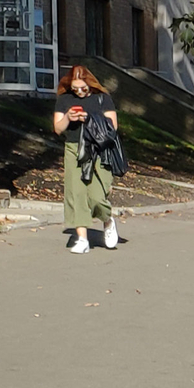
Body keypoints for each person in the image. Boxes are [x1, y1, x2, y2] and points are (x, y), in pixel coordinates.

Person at [50, 64, 121, 253]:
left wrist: (88, 118)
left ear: (90, 83)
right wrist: (68, 117)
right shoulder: (64, 100)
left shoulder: (102, 99)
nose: (80, 92)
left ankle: (107, 220)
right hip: (74, 148)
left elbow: (112, 127)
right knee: (76, 193)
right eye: (75, 89)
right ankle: (82, 239)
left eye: (83, 88)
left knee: (97, 196)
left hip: (98, 150)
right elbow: (57, 128)